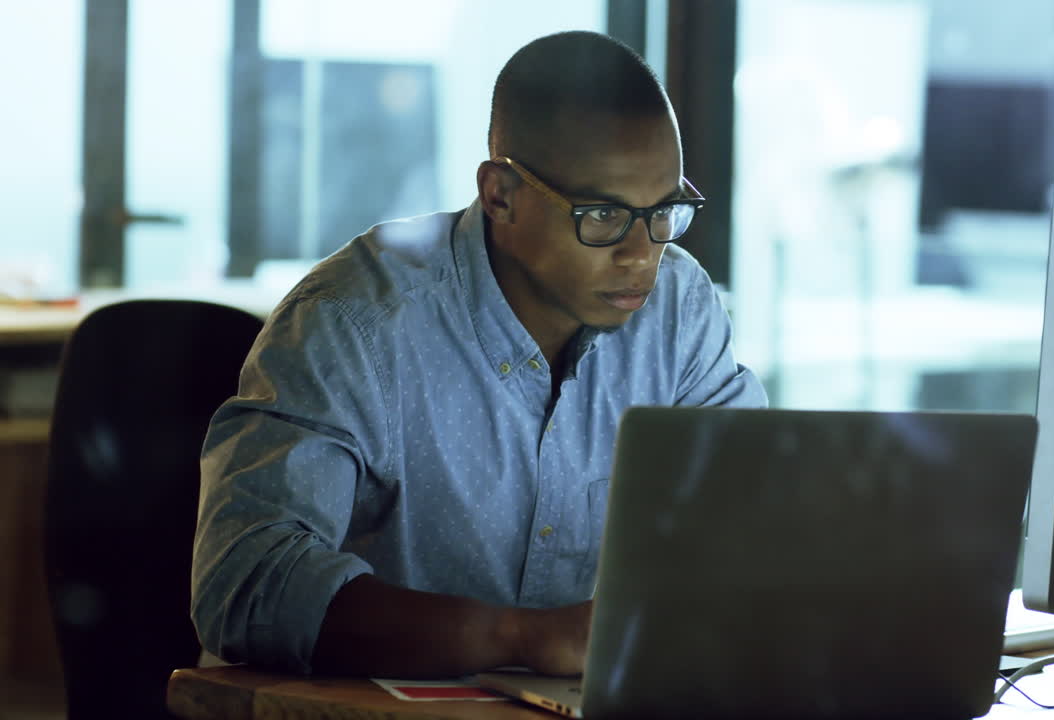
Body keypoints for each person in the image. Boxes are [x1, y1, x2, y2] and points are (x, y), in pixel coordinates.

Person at [190, 30, 767, 680]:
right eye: (603, 215)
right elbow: (244, 584)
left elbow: (748, 524)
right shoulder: (356, 322)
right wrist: (522, 638)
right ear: (501, 194)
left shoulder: (678, 310)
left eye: (664, 210)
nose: (643, 253)